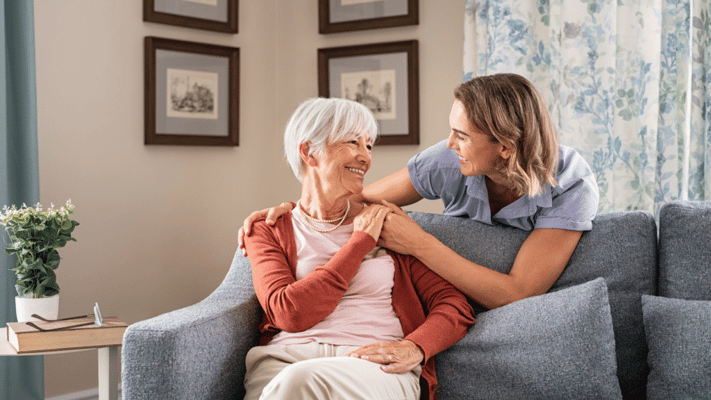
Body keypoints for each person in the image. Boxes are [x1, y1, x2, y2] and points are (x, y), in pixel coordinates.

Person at [240, 73, 599, 311]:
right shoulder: (447, 160)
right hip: (445, 299)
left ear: (504, 147)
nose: (449, 143)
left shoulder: (570, 183)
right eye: (451, 130)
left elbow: (519, 293)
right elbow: (353, 202)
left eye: (462, 135)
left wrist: (418, 242)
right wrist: (294, 210)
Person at [242, 97, 475, 400]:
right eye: (353, 142)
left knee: (298, 383)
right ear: (308, 152)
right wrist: (359, 243)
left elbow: (454, 304)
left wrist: (414, 347)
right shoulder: (267, 229)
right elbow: (289, 314)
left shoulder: (386, 223)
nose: (366, 157)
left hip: (371, 364)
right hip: (285, 360)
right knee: (293, 381)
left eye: (369, 146)